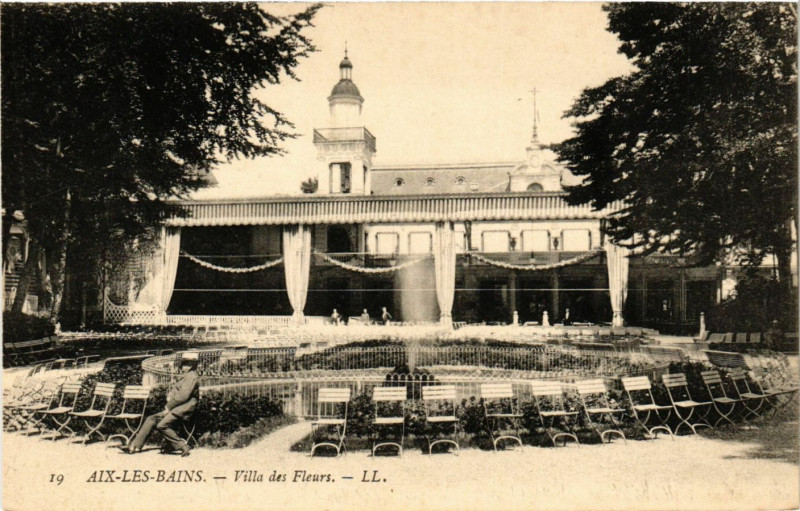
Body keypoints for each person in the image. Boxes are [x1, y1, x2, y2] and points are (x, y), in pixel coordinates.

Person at [124, 352, 199, 456]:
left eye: (188, 364)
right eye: (184, 363)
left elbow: (183, 396)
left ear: (193, 365)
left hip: (184, 408)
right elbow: (176, 391)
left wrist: (168, 407)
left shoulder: (191, 376)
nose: (184, 366)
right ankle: (135, 446)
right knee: (151, 418)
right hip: (176, 407)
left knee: (161, 425)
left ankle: (182, 446)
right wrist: (170, 398)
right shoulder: (186, 376)